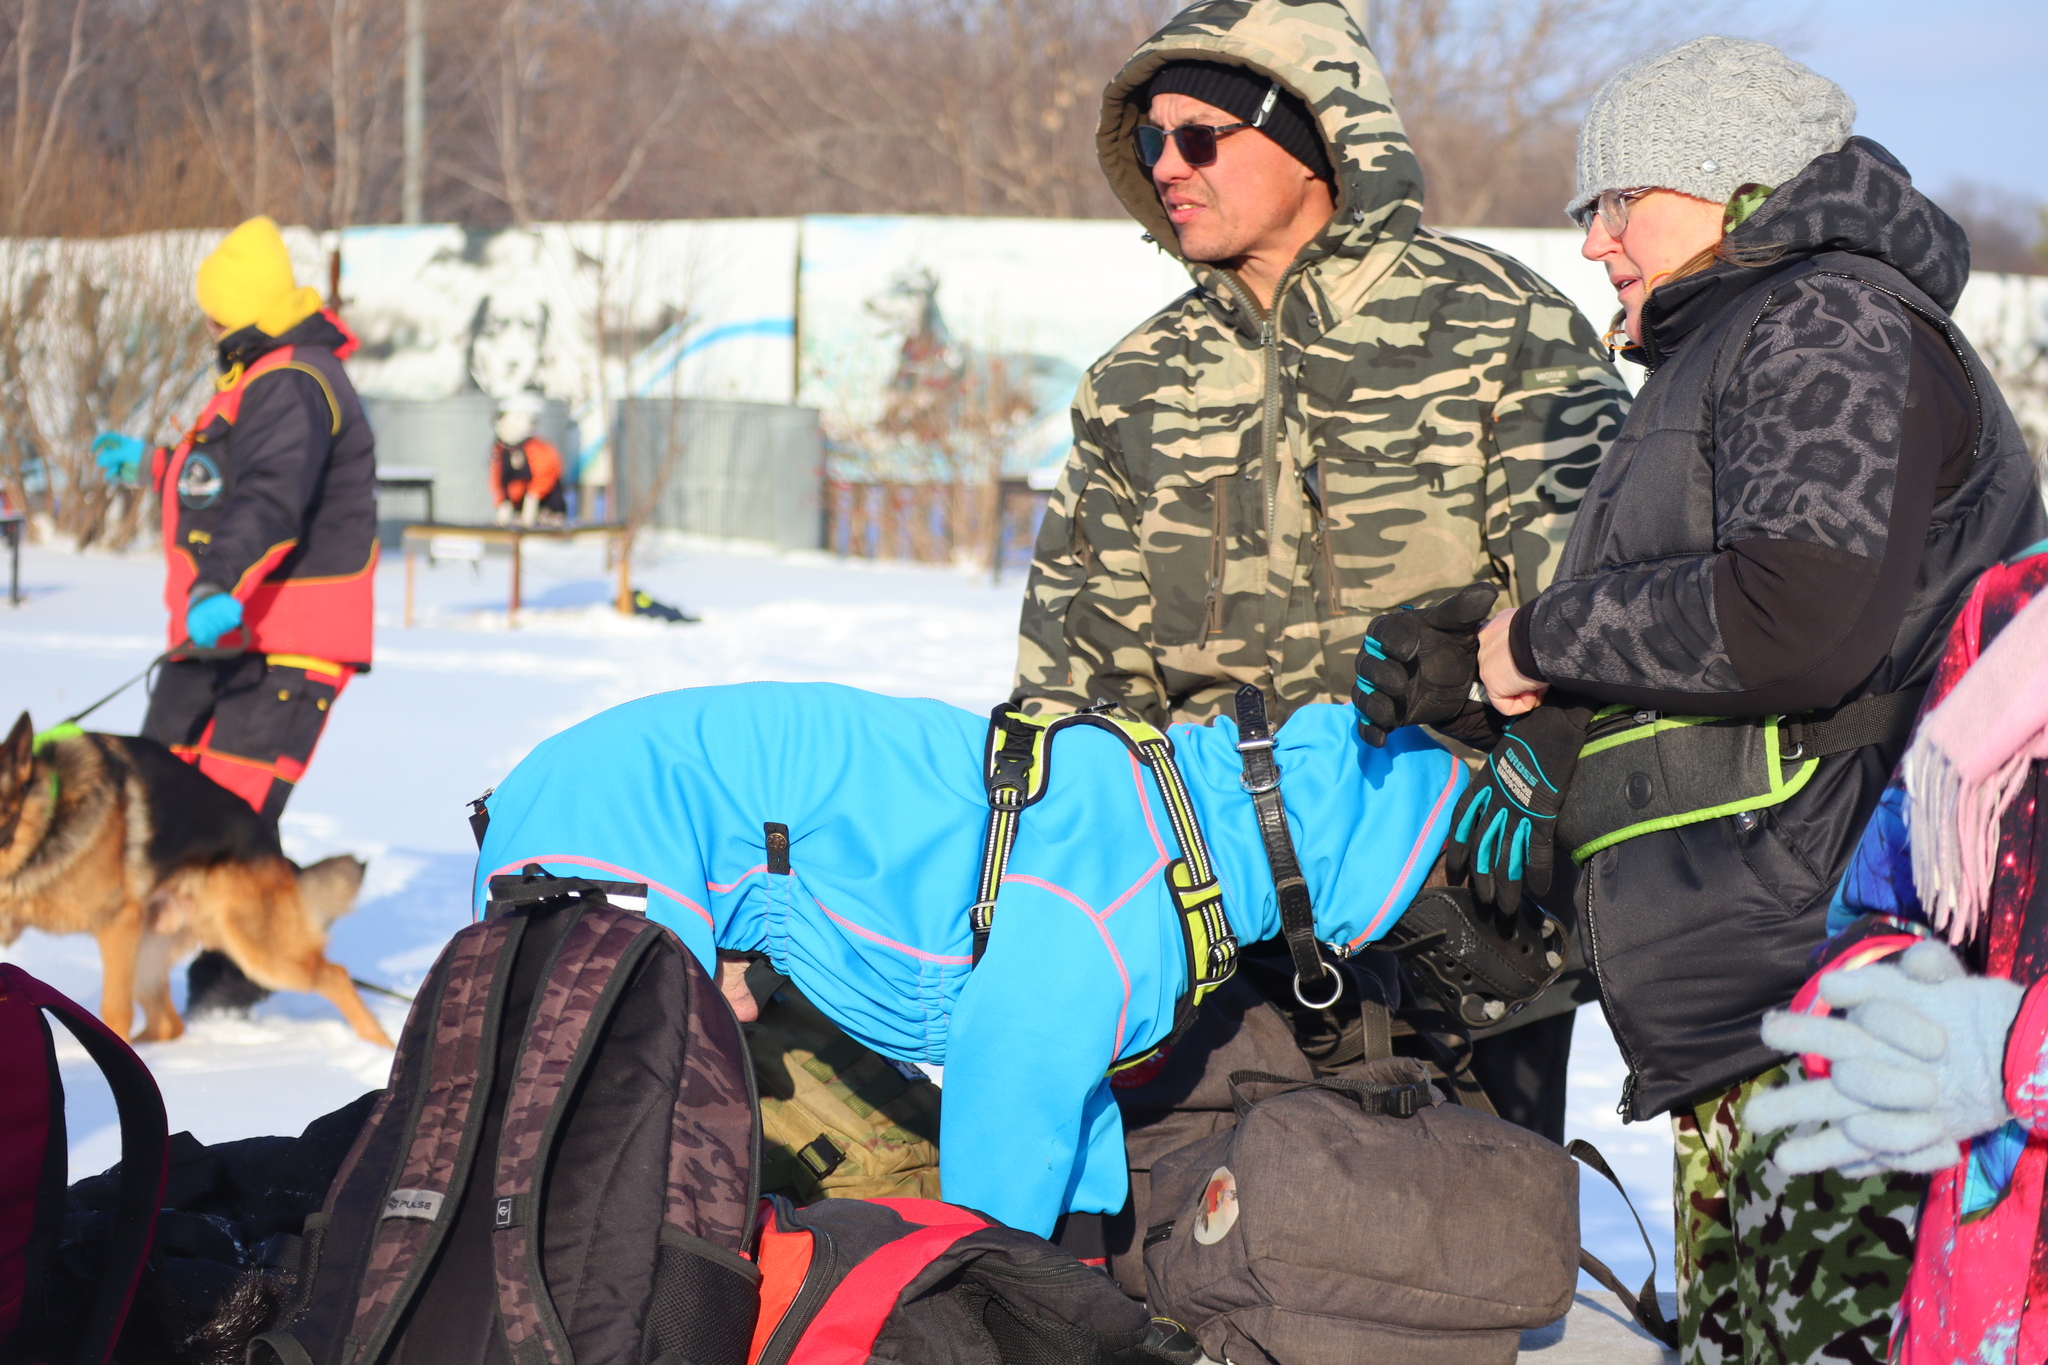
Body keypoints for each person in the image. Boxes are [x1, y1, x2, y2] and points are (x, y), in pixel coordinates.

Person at [1466, 37, 2048, 1364]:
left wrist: (1542, 636)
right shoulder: (1735, 342)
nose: (1594, 240)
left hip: (1849, 996)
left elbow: (1794, 617)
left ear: (1735, 191)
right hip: (1766, 1000)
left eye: (1618, 199)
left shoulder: (1826, 316)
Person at [1011, 0, 1629, 1143]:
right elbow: (1074, 679)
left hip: (1456, 892)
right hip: (1204, 910)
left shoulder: (1500, 326)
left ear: (1316, 141)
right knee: (1208, 1261)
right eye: (1149, 138)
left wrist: (1540, 770)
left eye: (1200, 136)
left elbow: (1592, 602)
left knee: (1458, 1266)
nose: (1166, 165)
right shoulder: (1135, 382)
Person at [472, 682, 1464, 1237]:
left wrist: (1072, 1271)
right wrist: (990, 1279)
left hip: (622, 798)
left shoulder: (1158, 833)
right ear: (1342, 868)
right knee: (596, 1161)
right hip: (617, 814)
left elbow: (1059, 1097)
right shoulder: (1129, 873)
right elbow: (1010, 1088)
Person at [1744, 540, 2048, 1365]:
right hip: (1971, 1298)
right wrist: (1887, 1006)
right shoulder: (2015, 606)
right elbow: (1885, 894)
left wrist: (2019, 1052)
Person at [144, 215, 377, 1017]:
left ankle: (236, 978)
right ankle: (237, 951)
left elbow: (269, 502)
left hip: (286, 637)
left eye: (213, 314)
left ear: (239, 313)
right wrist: (150, 465)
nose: (206, 327)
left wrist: (217, 588)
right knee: (176, 795)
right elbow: (221, 480)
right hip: (236, 633)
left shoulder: (293, 381)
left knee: (227, 814)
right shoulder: (263, 373)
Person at [488, 394, 566, 527]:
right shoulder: (500, 450)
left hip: (545, 506)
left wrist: (531, 504)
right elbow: (498, 481)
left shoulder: (538, 449)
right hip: (517, 509)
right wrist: (503, 504)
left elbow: (545, 476)